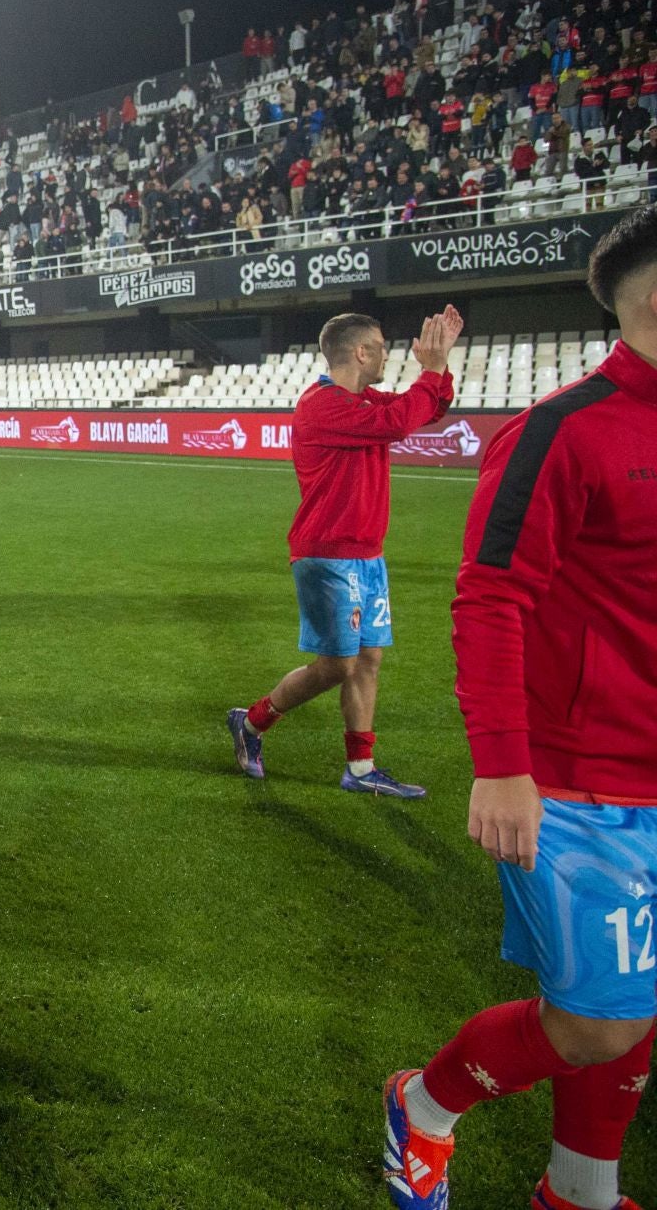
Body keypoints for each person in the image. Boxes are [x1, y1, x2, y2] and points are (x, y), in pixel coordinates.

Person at [380, 211, 657, 1210]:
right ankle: (423, 1104)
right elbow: (491, 594)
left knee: (639, 998)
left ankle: (581, 1190)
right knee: (594, 1025)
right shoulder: (567, 427)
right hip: (586, 779)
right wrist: (502, 764)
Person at [227, 307, 462, 800]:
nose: (386, 353)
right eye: (380, 344)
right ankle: (251, 722)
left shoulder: (362, 400)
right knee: (338, 665)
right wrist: (431, 370)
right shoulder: (321, 405)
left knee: (369, 659)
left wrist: (439, 368)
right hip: (328, 554)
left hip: (367, 554)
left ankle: (360, 767)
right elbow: (401, 420)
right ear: (360, 351)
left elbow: (428, 410)